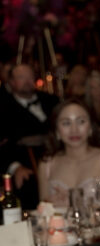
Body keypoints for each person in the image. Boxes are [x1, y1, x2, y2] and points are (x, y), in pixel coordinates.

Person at [37, 98, 100, 209]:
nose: (74, 129)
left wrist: (74, 204)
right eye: (66, 123)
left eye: (81, 121)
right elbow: (43, 213)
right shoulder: (46, 164)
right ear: (57, 131)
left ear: (91, 127)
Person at [0, 63, 59, 197]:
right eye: (21, 77)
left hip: (59, 161)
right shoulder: (3, 108)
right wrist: (15, 167)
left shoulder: (52, 100)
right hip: (26, 168)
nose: (27, 81)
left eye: (30, 77)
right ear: (11, 82)